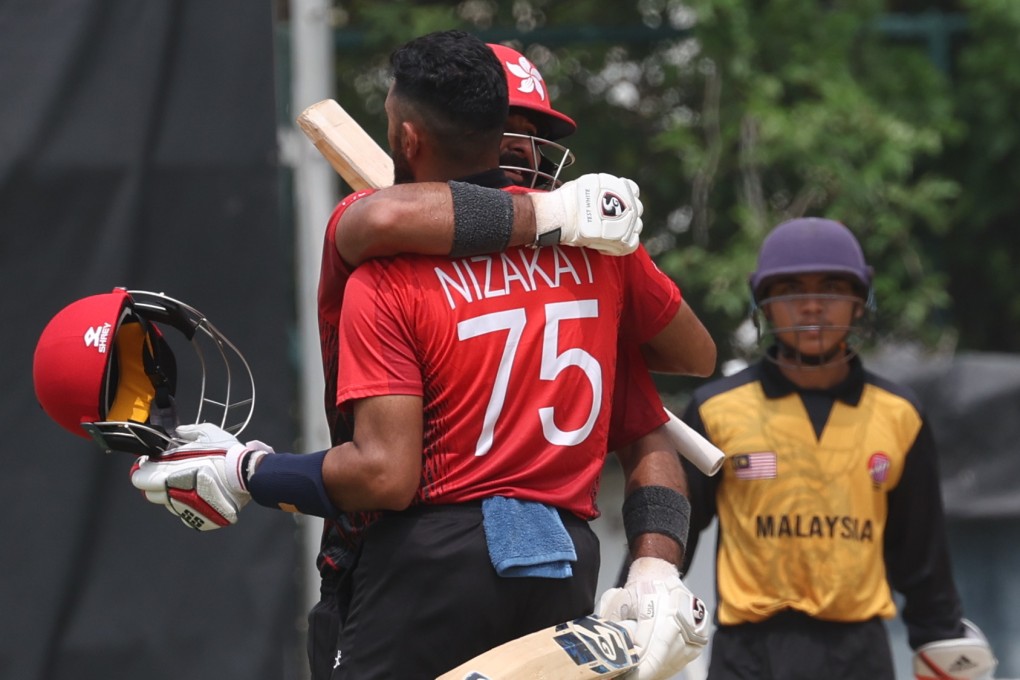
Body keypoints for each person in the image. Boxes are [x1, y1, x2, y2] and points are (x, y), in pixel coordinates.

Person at [128, 30, 710, 679]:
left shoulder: (387, 272)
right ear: (492, 135)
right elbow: (692, 363)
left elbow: (384, 473)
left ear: (410, 137)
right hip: (562, 562)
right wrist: (562, 218)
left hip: (428, 557)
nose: (521, 154)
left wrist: (249, 471)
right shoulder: (596, 259)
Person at [678, 217, 997, 679]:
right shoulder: (715, 409)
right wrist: (634, 613)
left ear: (860, 302)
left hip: (859, 655)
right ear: (763, 303)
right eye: (789, 290)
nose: (811, 307)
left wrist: (943, 641)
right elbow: (673, 529)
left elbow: (922, 558)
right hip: (749, 656)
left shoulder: (899, 413)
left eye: (831, 289)